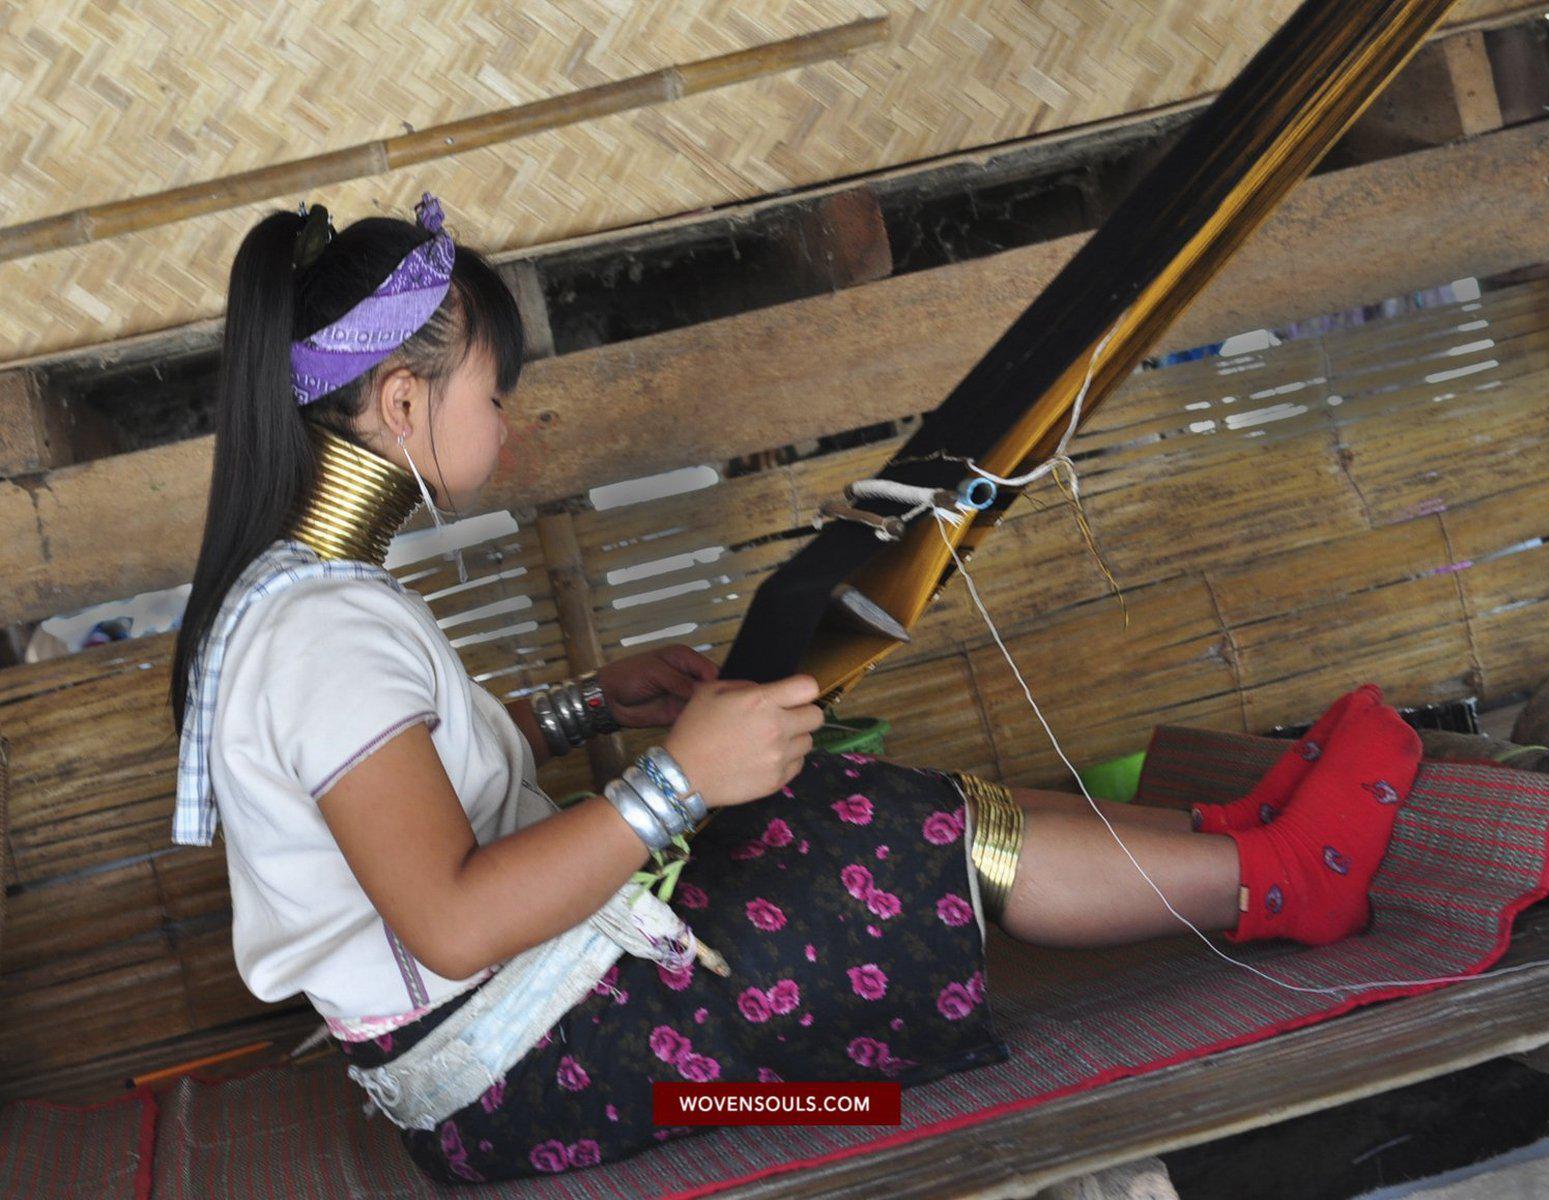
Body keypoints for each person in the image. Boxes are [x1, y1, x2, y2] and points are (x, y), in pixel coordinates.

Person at [167, 192, 1424, 1186]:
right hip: (519, 1080)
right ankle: (1282, 882)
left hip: (525, 1041)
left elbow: (418, 804)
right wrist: (674, 784)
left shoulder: (308, 606)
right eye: (497, 398)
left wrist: (591, 707)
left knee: (827, 813)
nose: (513, 428)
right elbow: (443, 919)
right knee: (867, 839)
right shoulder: (319, 632)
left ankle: (1239, 849)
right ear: (400, 403)